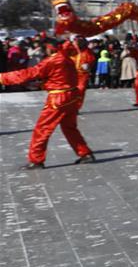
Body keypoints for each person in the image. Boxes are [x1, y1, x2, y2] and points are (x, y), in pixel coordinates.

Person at [0, 37, 95, 169]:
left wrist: (2, 78)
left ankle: (36, 160)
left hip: (58, 98)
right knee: (69, 128)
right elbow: (61, 77)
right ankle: (85, 153)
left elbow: (29, 73)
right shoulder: (66, 57)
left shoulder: (53, 60)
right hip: (71, 96)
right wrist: (44, 83)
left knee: (42, 129)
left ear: (49, 48)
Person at [71, 37, 95, 111]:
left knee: (80, 91)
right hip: (71, 73)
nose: (74, 44)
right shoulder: (72, 51)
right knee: (70, 91)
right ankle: (69, 106)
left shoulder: (87, 52)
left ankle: (76, 107)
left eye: (76, 42)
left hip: (82, 74)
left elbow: (91, 59)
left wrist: (88, 64)